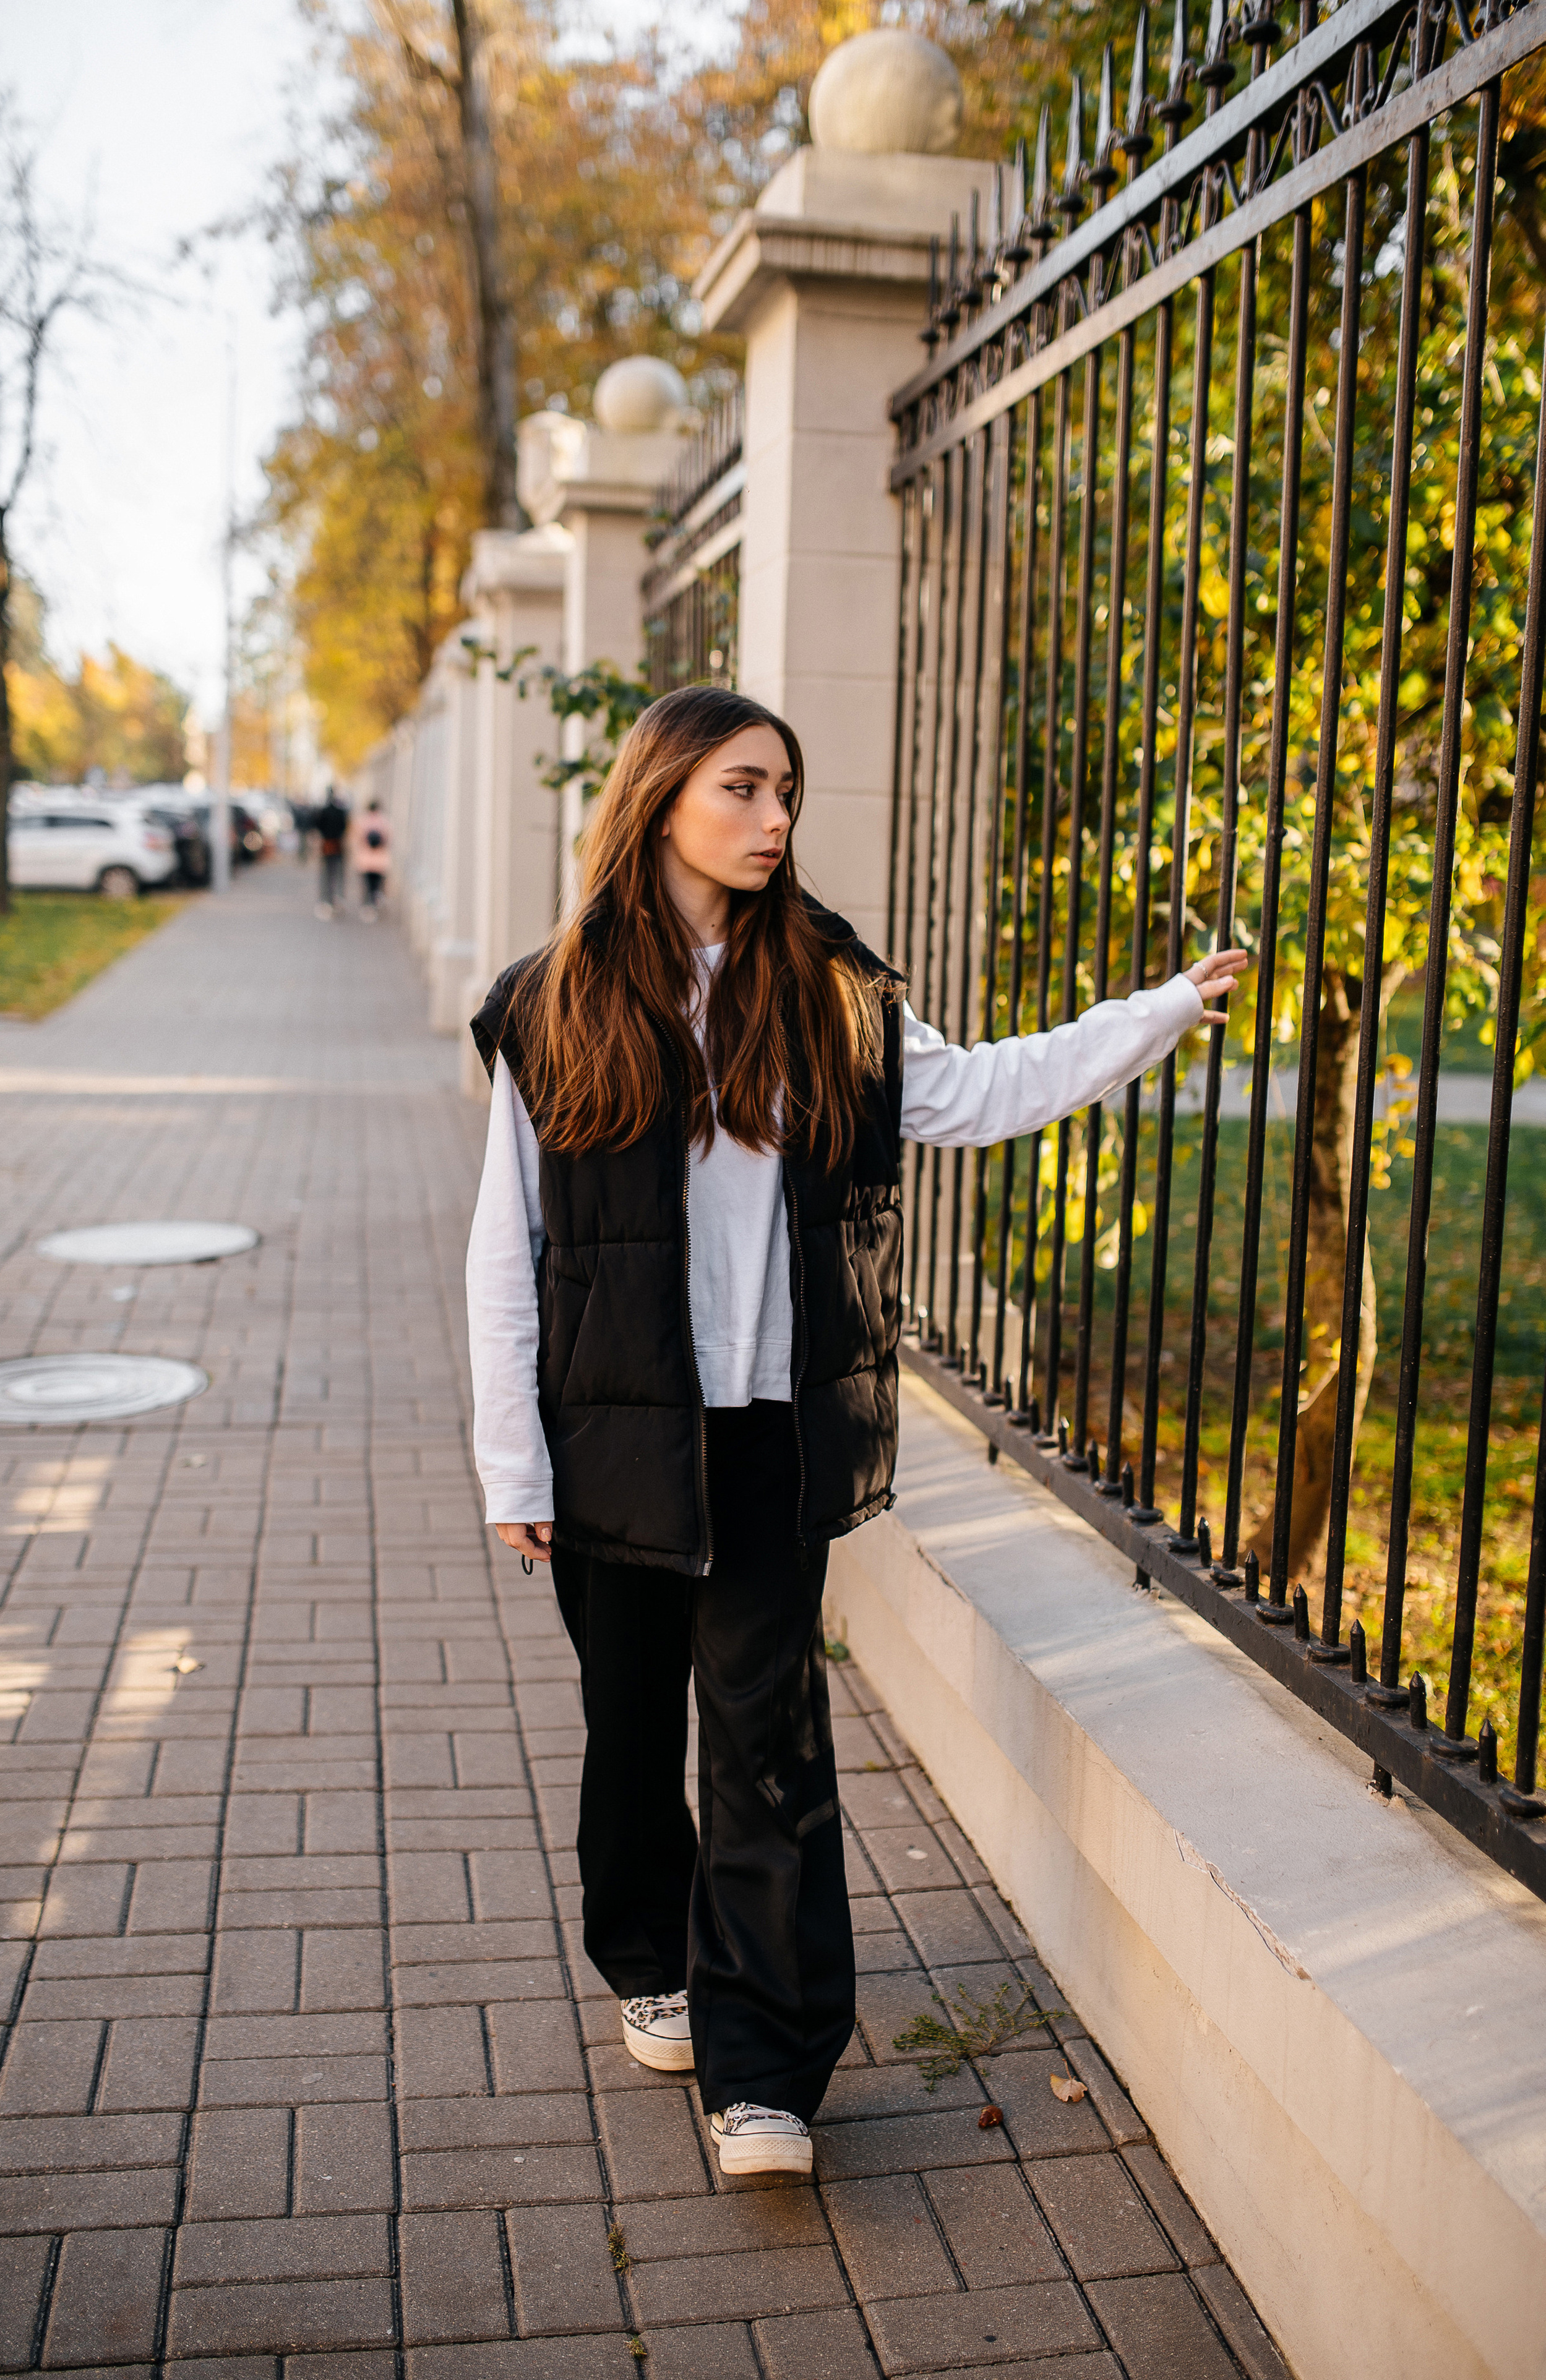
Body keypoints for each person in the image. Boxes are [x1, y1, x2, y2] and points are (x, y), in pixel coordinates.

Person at [465, 685, 1243, 2179]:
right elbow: (506, 1250)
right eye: (745, 790)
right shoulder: (550, 997)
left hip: (761, 1432)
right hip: (606, 1441)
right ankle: (652, 1956)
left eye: (785, 796)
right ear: (662, 797)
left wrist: (1156, 1012)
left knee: (765, 1742)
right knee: (629, 1729)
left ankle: (767, 2072)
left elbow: (981, 1090)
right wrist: (515, 1461)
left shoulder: (823, 992)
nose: (772, 821)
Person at [314, 785, 349, 917]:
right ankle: (338, 898)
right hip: (338, 845)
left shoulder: (323, 811)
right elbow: (344, 827)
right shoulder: (341, 811)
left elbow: (318, 826)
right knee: (338, 873)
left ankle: (326, 900)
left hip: (327, 845)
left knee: (326, 874)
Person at [356, 800, 391, 920]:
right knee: (376, 885)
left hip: (366, 859)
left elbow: (358, 837)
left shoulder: (363, 821)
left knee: (367, 884)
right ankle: (374, 903)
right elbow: (388, 837)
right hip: (379, 860)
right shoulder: (383, 821)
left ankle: (367, 907)